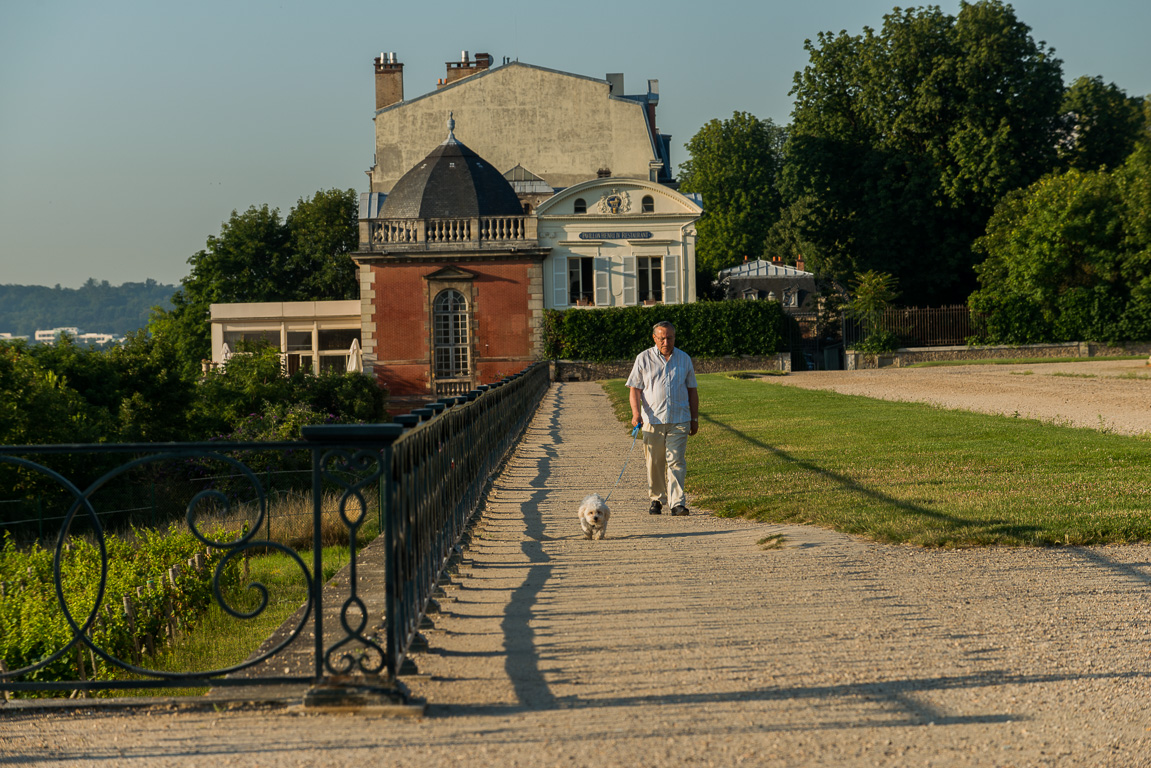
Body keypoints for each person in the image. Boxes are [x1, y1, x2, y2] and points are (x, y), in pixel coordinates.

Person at [626, 321, 699, 516]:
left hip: (679, 419)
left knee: (676, 461)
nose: (666, 342)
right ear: (654, 338)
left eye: (670, 338)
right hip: (652, 420)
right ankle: (657, 499)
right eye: (662, 338)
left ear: (674, 337)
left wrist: (694, 419)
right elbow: (635, 389)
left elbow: (692, 390)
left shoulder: (684, 359)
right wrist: (636, 414)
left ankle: (677, 503)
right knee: (655, 462)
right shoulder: (643, 358)